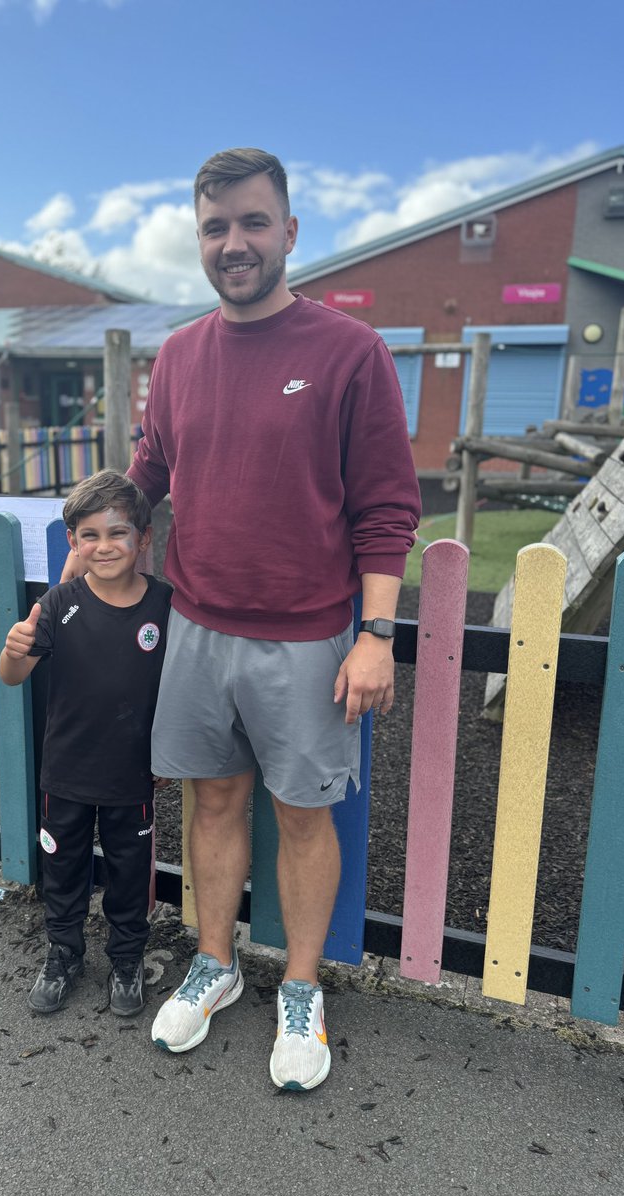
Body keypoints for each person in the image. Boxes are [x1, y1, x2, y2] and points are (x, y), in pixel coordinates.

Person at [66, 147, 420, 1090]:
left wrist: (377, 635)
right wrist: (87, 551)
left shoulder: (351, 353)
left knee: (304, 814)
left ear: (290, 232)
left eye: (253, 223)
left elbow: (387, 507)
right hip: (197, 627)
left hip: (308, 636)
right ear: (200, 239)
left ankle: (300, 988)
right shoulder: (179, 355)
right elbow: (148, 473)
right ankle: (216, 963)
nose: (234, 243)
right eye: (216, 228)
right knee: (212, 800)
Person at [0, 469, 172, 1018]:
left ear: (143, 538)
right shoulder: (57, 605)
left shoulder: (166, 607)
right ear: (73, 542)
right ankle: (63, 953)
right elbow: (11, 676)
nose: (104, 546)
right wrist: (14, 647)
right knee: (64, 869)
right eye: (89, 535)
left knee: (128, 873)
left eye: (117, 533)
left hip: (132, 777)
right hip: (66, 775)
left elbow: (182, 690)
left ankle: (126, 960)